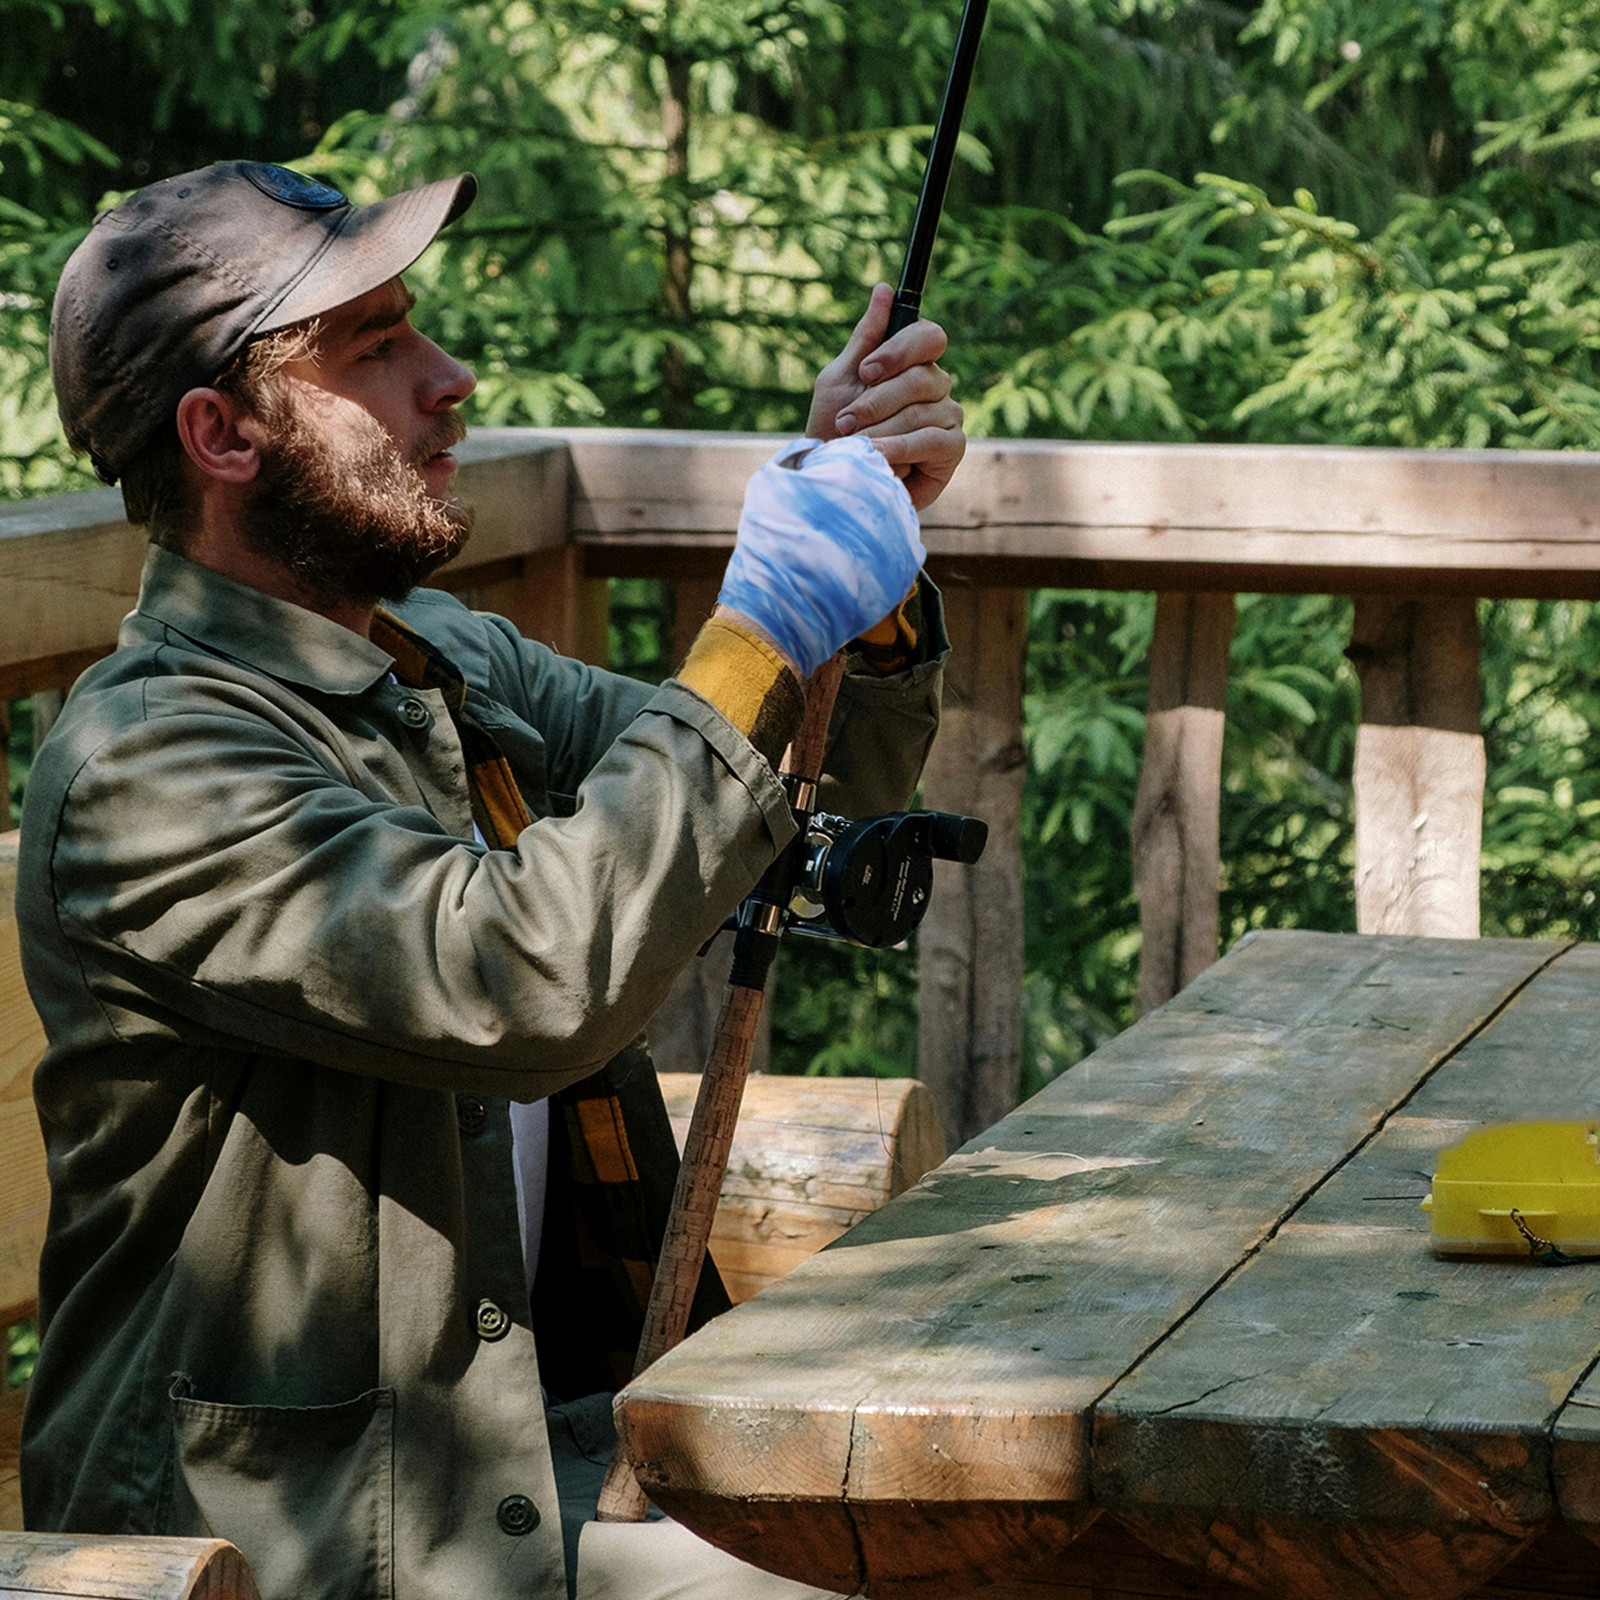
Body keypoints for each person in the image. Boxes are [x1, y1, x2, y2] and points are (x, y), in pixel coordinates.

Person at [16, 160, 965, 1600]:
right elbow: (522, 977)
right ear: (221, 432)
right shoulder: (149, 766)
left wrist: (858, 559)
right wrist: (762, 624)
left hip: (527, 1466)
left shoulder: (439, 660)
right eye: (374, 346)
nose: (449, 379)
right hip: (288, 1546)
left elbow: (781, 792)